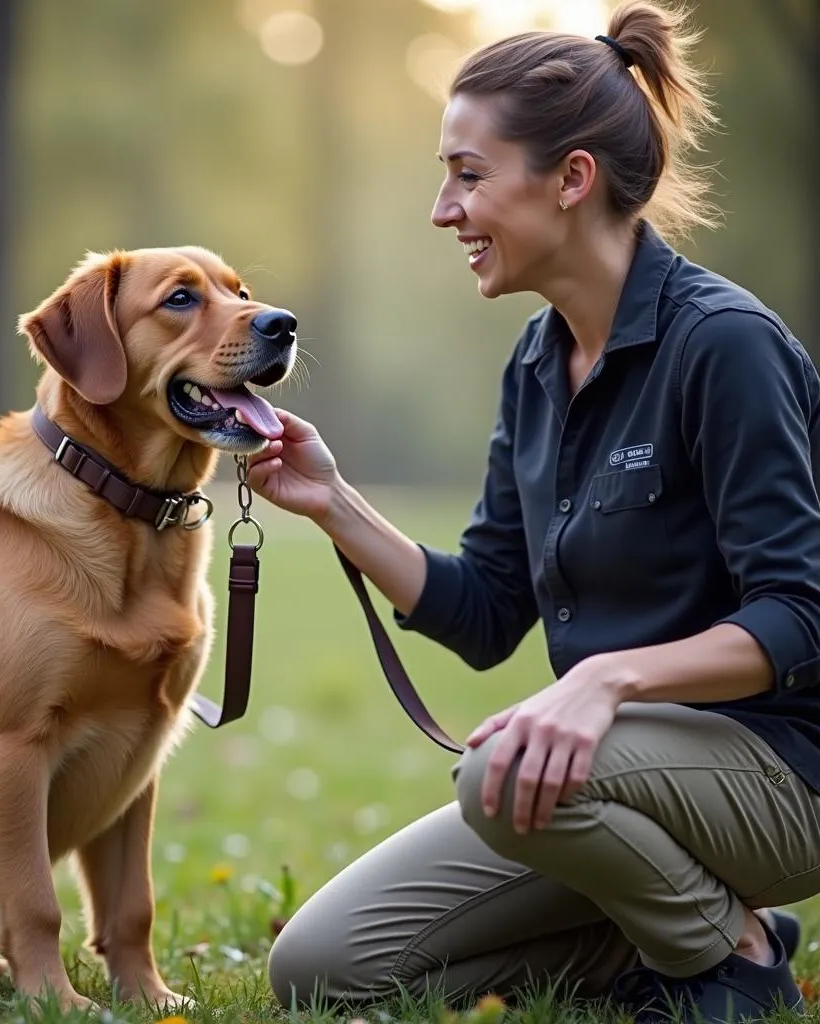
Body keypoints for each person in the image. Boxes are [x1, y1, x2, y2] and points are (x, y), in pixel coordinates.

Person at [245, 2, 820, 1022]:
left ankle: (729, 956)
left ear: (570, 179)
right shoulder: (536, 364)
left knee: (494, 771)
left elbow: (799, 616)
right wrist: (332, 504)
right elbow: (488, 607)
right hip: (602, 785)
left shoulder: (724, 347)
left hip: (780, 775)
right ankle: (650, 933)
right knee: (320, 967)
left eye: (468, 174)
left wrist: (604, 681)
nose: (442, 209)